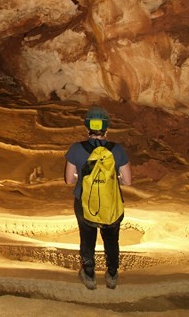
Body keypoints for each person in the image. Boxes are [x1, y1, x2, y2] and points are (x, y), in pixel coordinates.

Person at [64, 106, 132, 290]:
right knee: (111, 239)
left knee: (87, 238)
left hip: (84, 202)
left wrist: (82, 176)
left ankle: (89, 274)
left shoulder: (76, 149)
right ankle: (111, 274)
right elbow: (127, 181)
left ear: (87, 128)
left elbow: (69, 179)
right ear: (106, 128)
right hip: (111, 202)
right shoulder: (117, 150)